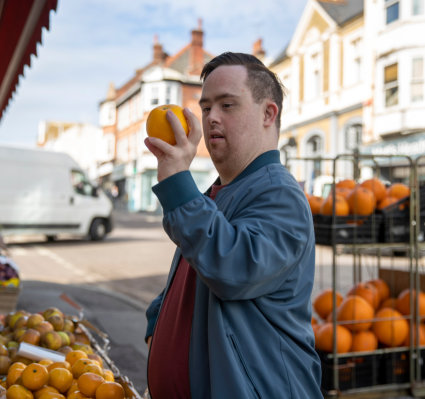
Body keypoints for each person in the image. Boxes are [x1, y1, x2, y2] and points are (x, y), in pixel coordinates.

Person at [143, 52, 322, 399]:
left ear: (268, 113)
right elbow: (191, 274)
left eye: (227, 105)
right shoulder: (216, 192)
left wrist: (178, 181)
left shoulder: (281, 194)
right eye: (206, 107)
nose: (211, 118)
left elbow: (233, 268)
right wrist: (158, 320)